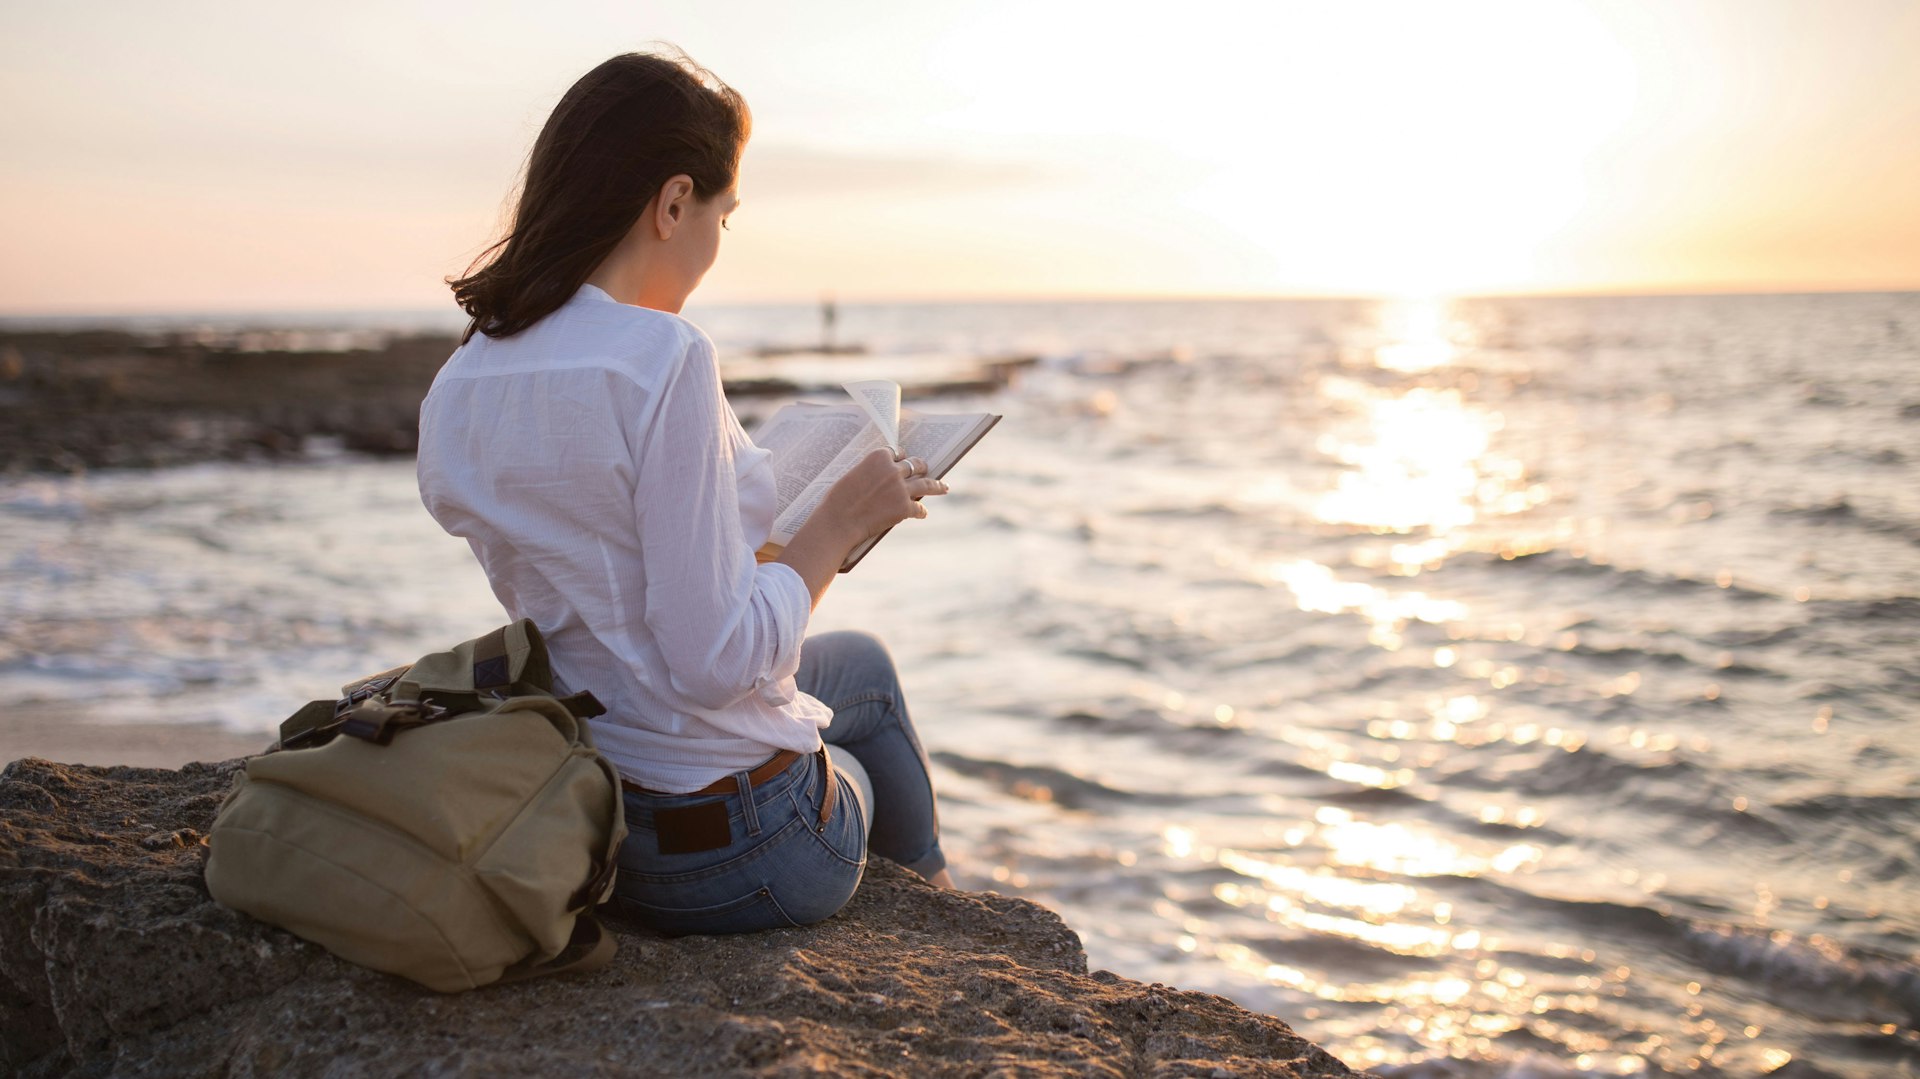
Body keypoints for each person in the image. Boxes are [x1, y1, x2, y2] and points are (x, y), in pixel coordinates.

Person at [415, 49, 953, 936]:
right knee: (859, 757)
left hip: (592, 809)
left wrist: (745, 543)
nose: (714, 245)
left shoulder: (464, 378)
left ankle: (941, 910)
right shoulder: (665, 359)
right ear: (672, 204)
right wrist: (834, 527)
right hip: (732, 848)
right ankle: (942, 921)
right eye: (721, 216)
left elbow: (595, 566)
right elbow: (712, 660)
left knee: (860, 668)